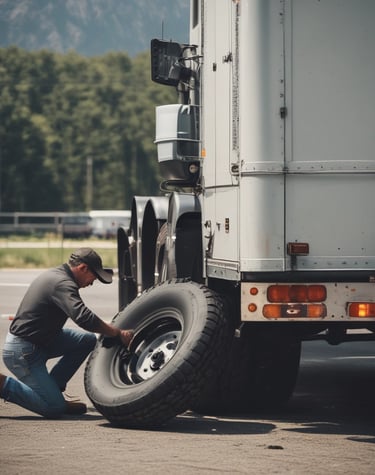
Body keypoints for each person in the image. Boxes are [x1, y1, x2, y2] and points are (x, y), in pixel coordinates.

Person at [0, 247, 133, 418]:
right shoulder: (62, 283)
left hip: (42, 340)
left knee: (86, 340)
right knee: (54, 408)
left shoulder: (57, 275)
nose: (93, 282)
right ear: (83, 268)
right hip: (23, 351)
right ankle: (5, 385)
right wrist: (116, 332)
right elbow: (84, 317)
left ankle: (53, 392)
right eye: (94, 276)